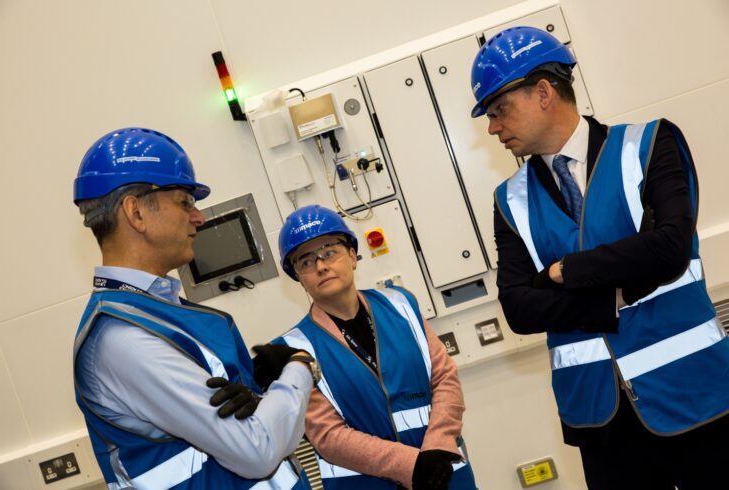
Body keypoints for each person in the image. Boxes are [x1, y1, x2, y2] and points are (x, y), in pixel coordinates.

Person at [469, 26, 729, 489]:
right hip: (600, 422)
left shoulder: (649, 145)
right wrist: (615, 294)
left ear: (544, 92)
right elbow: (519, 308)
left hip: (695, 395)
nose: (492, 128)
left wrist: (561, 272)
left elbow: (669, 249)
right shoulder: (508, 200)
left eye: (498, 109)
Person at [72, 127, 319, 489]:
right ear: (136, 212)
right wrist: (301, 367)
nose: (199, 217)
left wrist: (257, 395)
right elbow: (257, 449)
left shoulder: (159, 313)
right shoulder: (122, 338)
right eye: (185, 203)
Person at [270, 205, 478, 490]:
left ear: (353, 256)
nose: (320, 266)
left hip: (444, 473)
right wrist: (411, 465)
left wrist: (438, 446)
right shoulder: (293, 350)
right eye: (305, 262)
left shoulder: (402, 304)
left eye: (329, 251)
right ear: (298, 278)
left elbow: (444, 377)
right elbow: (329, 436)